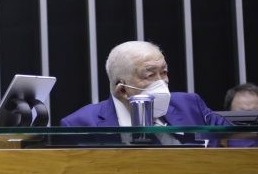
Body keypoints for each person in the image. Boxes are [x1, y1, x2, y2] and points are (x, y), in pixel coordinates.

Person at [60, 40, 230, 128]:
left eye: (163, 72)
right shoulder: (80, 123)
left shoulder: (190, 105)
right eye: (150, 75)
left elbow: (245, 142)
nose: (162, 81)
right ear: (123, 89)